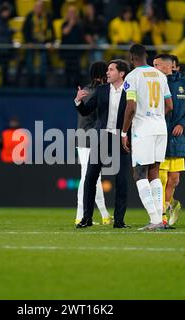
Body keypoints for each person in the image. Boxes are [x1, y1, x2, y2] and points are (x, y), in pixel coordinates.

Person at [121, 44, 173, 231]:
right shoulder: (160, 75)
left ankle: (154, 220)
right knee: (154, 172)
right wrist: (157, 117)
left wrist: (124, 132)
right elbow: (169, 105)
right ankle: (159, 218)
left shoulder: (132, 76)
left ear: (132, 57)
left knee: (139, 173)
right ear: (146, 56)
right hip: (161, 128)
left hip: (142, 129)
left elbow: (131, 107)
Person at [74, 59, 132, 229]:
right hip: (102, 137)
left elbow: (135, 114)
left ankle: (119, 221)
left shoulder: (131, 91)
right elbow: (86, 111)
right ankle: (86, 218)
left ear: (121, 74)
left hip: (122, 138)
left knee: (121, 180)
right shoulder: (101, 90)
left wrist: (128, 134)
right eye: (107, 70)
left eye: (111, 70)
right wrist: (78, 101)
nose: (107, 72)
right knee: (90, 178)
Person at [153, 54, 185, 227]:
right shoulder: (153, 84)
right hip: (159, 136)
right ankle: (162, 217)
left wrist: (183, 123)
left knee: (174, 180)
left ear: (171, 66)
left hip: (178, 138)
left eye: (157, 65)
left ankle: (172, 204)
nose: (155, 68)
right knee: (162, 178)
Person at [75, 61, 112, 226]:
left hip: (83, 137)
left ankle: (103, 214)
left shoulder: (86, 89)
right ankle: (81, 214)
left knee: (92, 177)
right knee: (88, 177)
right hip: (93, 137)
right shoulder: (101, 92)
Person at [19, 0, 54, 87]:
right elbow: (25, 31)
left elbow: (51, 31)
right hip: (32, 43)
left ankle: (42, 82)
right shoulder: (29, 16)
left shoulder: (47, 17)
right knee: (29, 61)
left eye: (40, 7)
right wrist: (28, 42)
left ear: (42, 8)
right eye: (37, 7)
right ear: (34, 8)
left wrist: (50, 42)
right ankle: (31, 81)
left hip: (43, 43)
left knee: (44, 61)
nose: (38, 9)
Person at [60, 6, 84, 87]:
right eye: (70, 13)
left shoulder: (80, 24)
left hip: (77, 51)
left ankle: (77, 86)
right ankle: (67, 85)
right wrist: (70, 24)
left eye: (73, 13)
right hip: (67, 50)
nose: (72, 14)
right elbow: (64, 33)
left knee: (77, 69)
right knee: (68, 69)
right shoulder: (64, 24)